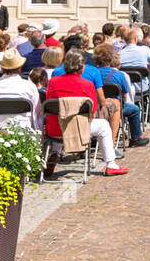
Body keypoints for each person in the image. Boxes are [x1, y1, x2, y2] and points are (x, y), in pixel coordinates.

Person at [43, 48, 128, 177]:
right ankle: (111, 164)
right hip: (79, 129)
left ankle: (54, 152)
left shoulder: (53, 82)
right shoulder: (87, 85)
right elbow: (92, 113)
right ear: (82, 67)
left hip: (54, 130)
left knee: (59, 116)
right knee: (103, 125)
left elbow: (50, 104)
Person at [92, 43, 150, 148]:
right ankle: (135, 138)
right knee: (135, 109)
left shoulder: (92, 73)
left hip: (96, 107)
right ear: (110, 58)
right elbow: (124, 95)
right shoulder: (119, 74)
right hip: (114, 107)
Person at [0, 48, 40, 131]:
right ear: (20, 66)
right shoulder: (29, 86)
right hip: (23, 129)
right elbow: (37, 110)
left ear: (2, 67)